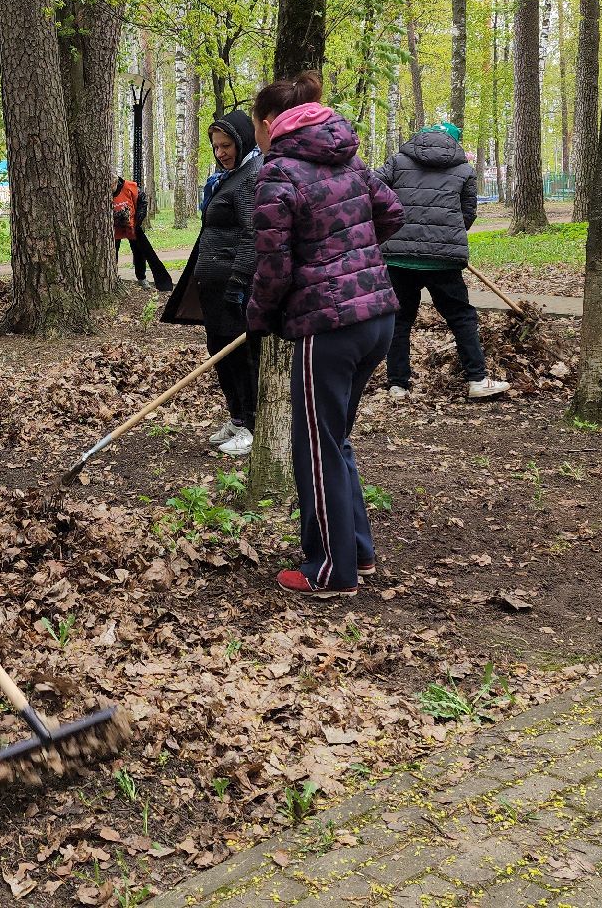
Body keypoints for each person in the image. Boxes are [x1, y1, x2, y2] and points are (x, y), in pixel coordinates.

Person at [246, 71, 403, 599]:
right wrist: (351, 258)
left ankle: (332, 571)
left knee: (316, 446)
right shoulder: (347, 157)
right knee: (331, 439)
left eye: (254, 125)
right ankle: (357, 549)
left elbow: (273, 266)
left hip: (330, 327)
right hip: (376, 317)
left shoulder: (280, 173)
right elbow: (391, 212)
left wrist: (259, 317)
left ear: (270, 124)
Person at [377, 124, 511, 401]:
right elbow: (468, 214)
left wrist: (388, 228)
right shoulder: (463, 169)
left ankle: (398, 385)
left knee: (399, 320)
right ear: (454, 141)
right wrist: (445, 237)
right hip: (443, 260)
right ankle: (477, 379)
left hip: (398, 257)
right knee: (461, 318)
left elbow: (374, 190)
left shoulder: (398, 160)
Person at [189, 111, 264, 457]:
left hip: (233, 284)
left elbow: (252, 234)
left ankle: (251, 424)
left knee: (241, 355)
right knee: (219, 352)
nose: (220, 152)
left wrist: (239, 280)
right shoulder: (227, 177)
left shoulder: (250, 177)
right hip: (213, 283)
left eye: (227, 145)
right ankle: (236, 418)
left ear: (243, 141)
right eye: (216, 146)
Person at [114, 177, 173, 291]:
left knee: (142, 251)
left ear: (116, 182)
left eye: (112, 186)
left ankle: (143, 278)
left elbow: (142, 201)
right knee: (112, 252)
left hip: (132, 225)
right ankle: (112, 277)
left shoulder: (130, 187)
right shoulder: (103, 190)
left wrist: (138, 220)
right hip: (113, 228)